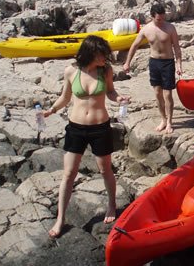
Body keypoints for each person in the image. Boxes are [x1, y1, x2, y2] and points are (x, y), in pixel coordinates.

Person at [43, 35, 129, 238]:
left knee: (104, 169)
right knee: (69, 173)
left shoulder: (106, 70)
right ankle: (60, 218)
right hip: (76, 128)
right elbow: (65, 97)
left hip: (100, 128)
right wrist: (51, 110)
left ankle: (111, 205)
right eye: (102, 55)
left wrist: (119, 99)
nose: (105, 59)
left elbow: (110, 92)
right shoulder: (71, 71)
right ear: (91, 53)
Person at [123, 3, 182, 133]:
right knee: (157, 93)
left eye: (163, 18)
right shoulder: (146, 29)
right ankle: (163, 120)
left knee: (167, 94)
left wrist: (179, 64)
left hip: (168, 63)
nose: (161, 21)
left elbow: (176, 48)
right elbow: (134, 46)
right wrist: (127, 62)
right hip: (154, 62)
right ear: (152, 17)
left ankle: (170, 122)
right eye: (158, 19)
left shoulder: (170, 28)